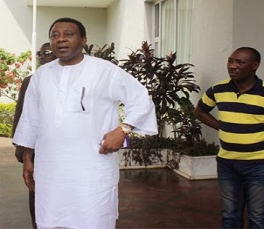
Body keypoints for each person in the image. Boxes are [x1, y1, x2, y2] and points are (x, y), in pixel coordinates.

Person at [12, 17, 157, 228]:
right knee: (52, 218)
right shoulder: (41, 76)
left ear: (83, 40)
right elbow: (31, 119)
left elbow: (141, 99)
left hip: (92, 168)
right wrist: (27, 158)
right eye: (55, 35)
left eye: (68, 34)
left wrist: (122, 130)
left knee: (93, 219)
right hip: (50, 169)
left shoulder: (105, 70)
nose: (60, 40)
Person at [194, 47, 264, 228]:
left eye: (239, 62)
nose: (232, 66)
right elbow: (200, 111)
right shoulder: (218, 90)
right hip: (227, 164)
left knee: (258, 217)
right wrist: (221, 126)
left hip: (260, 165)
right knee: (229, 215)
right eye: (230, 61)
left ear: (254, 66)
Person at [12, 42, 57, 229]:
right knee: (37, 196)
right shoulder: (31, 81)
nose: (42, 57)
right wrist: (23, 151)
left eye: (47, 53)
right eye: (40, 54)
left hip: (68, 153)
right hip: (39, 152)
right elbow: (22, 115)